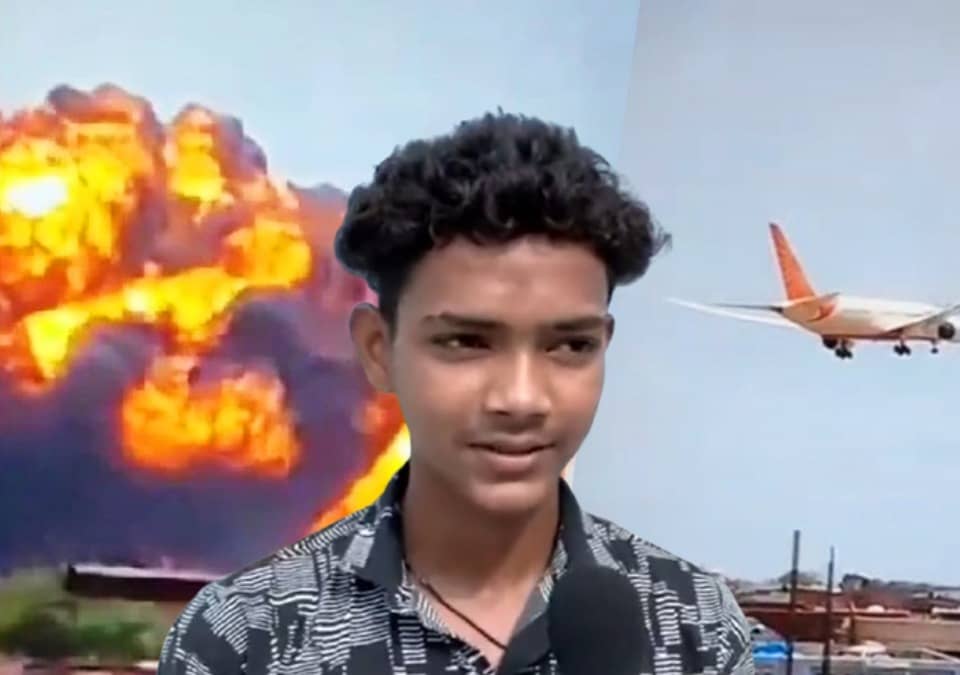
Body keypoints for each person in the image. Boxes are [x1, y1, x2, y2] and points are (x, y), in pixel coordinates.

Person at [156, 112, 754, 674]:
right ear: (378, 351)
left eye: (571, 346)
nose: (522, 398)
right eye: (466, 342)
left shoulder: (694, 627)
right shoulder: (248, 637)